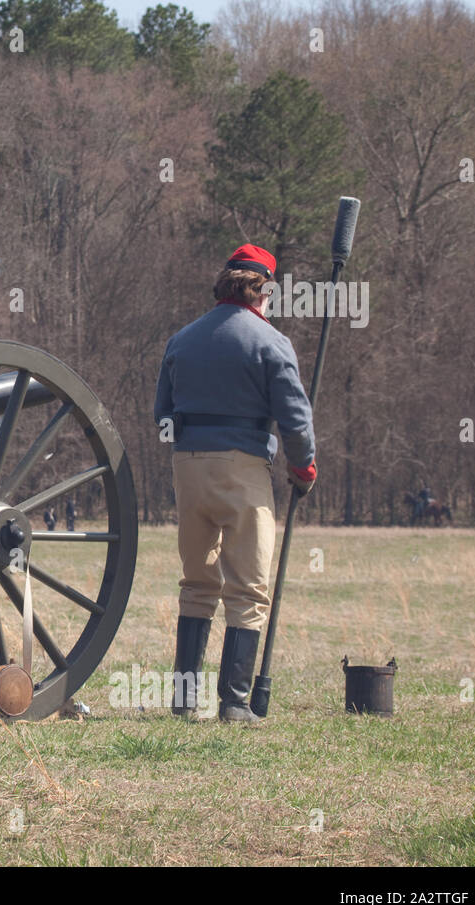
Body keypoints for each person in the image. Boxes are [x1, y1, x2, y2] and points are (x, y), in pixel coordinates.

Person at [154, 245, 316, 723]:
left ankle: (184, 700)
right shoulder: (270, 342)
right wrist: (303, 469)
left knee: (197, 583)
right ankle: (234, 702)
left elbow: (162, 413)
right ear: (263, 290)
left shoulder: (181, 339)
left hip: (188, 464)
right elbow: (295, 419)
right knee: (247, 587)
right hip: (243, 467)